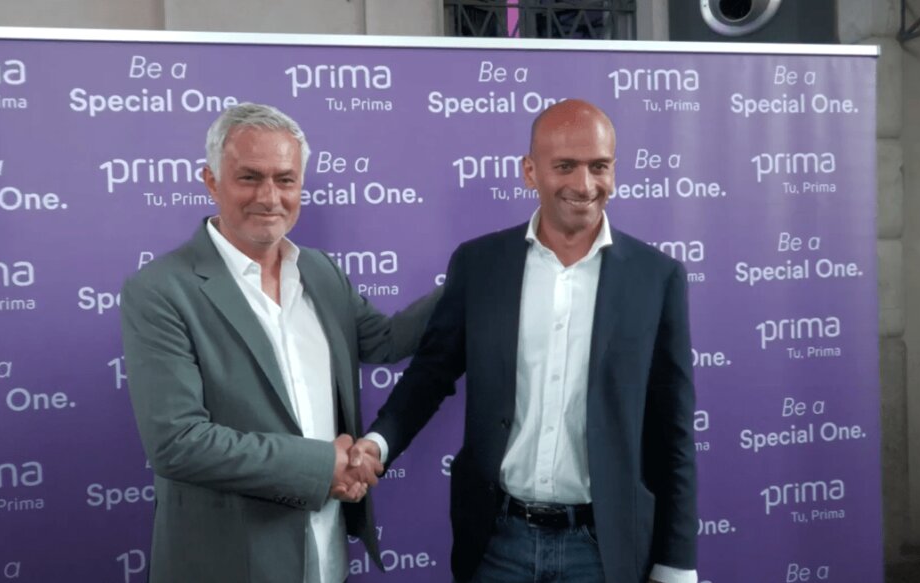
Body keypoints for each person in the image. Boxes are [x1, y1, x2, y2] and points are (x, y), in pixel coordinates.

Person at [353, 99, 698, 582]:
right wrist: (378, 444)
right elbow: (430, 375)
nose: (585, 185)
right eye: (565, 166)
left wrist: (677, 563)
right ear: (530, 172)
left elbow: (673, 430)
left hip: (604, 550)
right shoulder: (480, 264)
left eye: (599, 166)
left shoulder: (656, 277)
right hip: (496, 542)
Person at [120, 102, 437, 583]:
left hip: (325, 553)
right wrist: (323, 466)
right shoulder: (161, 289)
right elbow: (177, 442)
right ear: (211, 182)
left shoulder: (320, 271)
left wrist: (471, 275)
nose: (269, 197)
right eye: (249, 177)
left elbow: (386, 341)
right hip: (226, 564)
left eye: (285, 180)